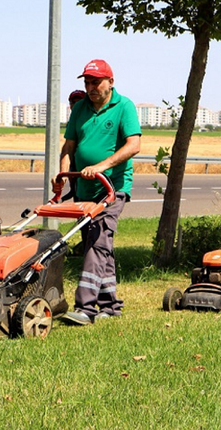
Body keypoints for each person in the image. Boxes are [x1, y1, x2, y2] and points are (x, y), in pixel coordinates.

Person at [53, 59, 141, 325]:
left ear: (110, 82)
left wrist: (101, 166)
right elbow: (68, 147)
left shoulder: (124, 107)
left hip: (112, 188)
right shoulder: (79, 109)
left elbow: (133, 145)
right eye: (87, 83)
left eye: (96, 82)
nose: (91, 87)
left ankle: (86, 308)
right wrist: (63, 176)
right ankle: (110, 305)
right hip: (83, 188)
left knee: (97, 243)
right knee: (100, 244)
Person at [62, 90, 88, 203]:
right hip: (75, 164)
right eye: (73, 102)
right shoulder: (72, 121)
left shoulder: (89, 119)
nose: (75, 105)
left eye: (79, 102)